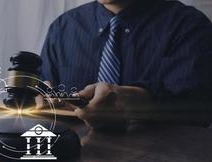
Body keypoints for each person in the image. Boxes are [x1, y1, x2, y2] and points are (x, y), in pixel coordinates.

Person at [37, 0, 212, 129]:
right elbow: (42, 93)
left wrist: (141, 102)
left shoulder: (189, 26)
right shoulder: (63, 27)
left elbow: (199, 110)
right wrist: (41, 100)